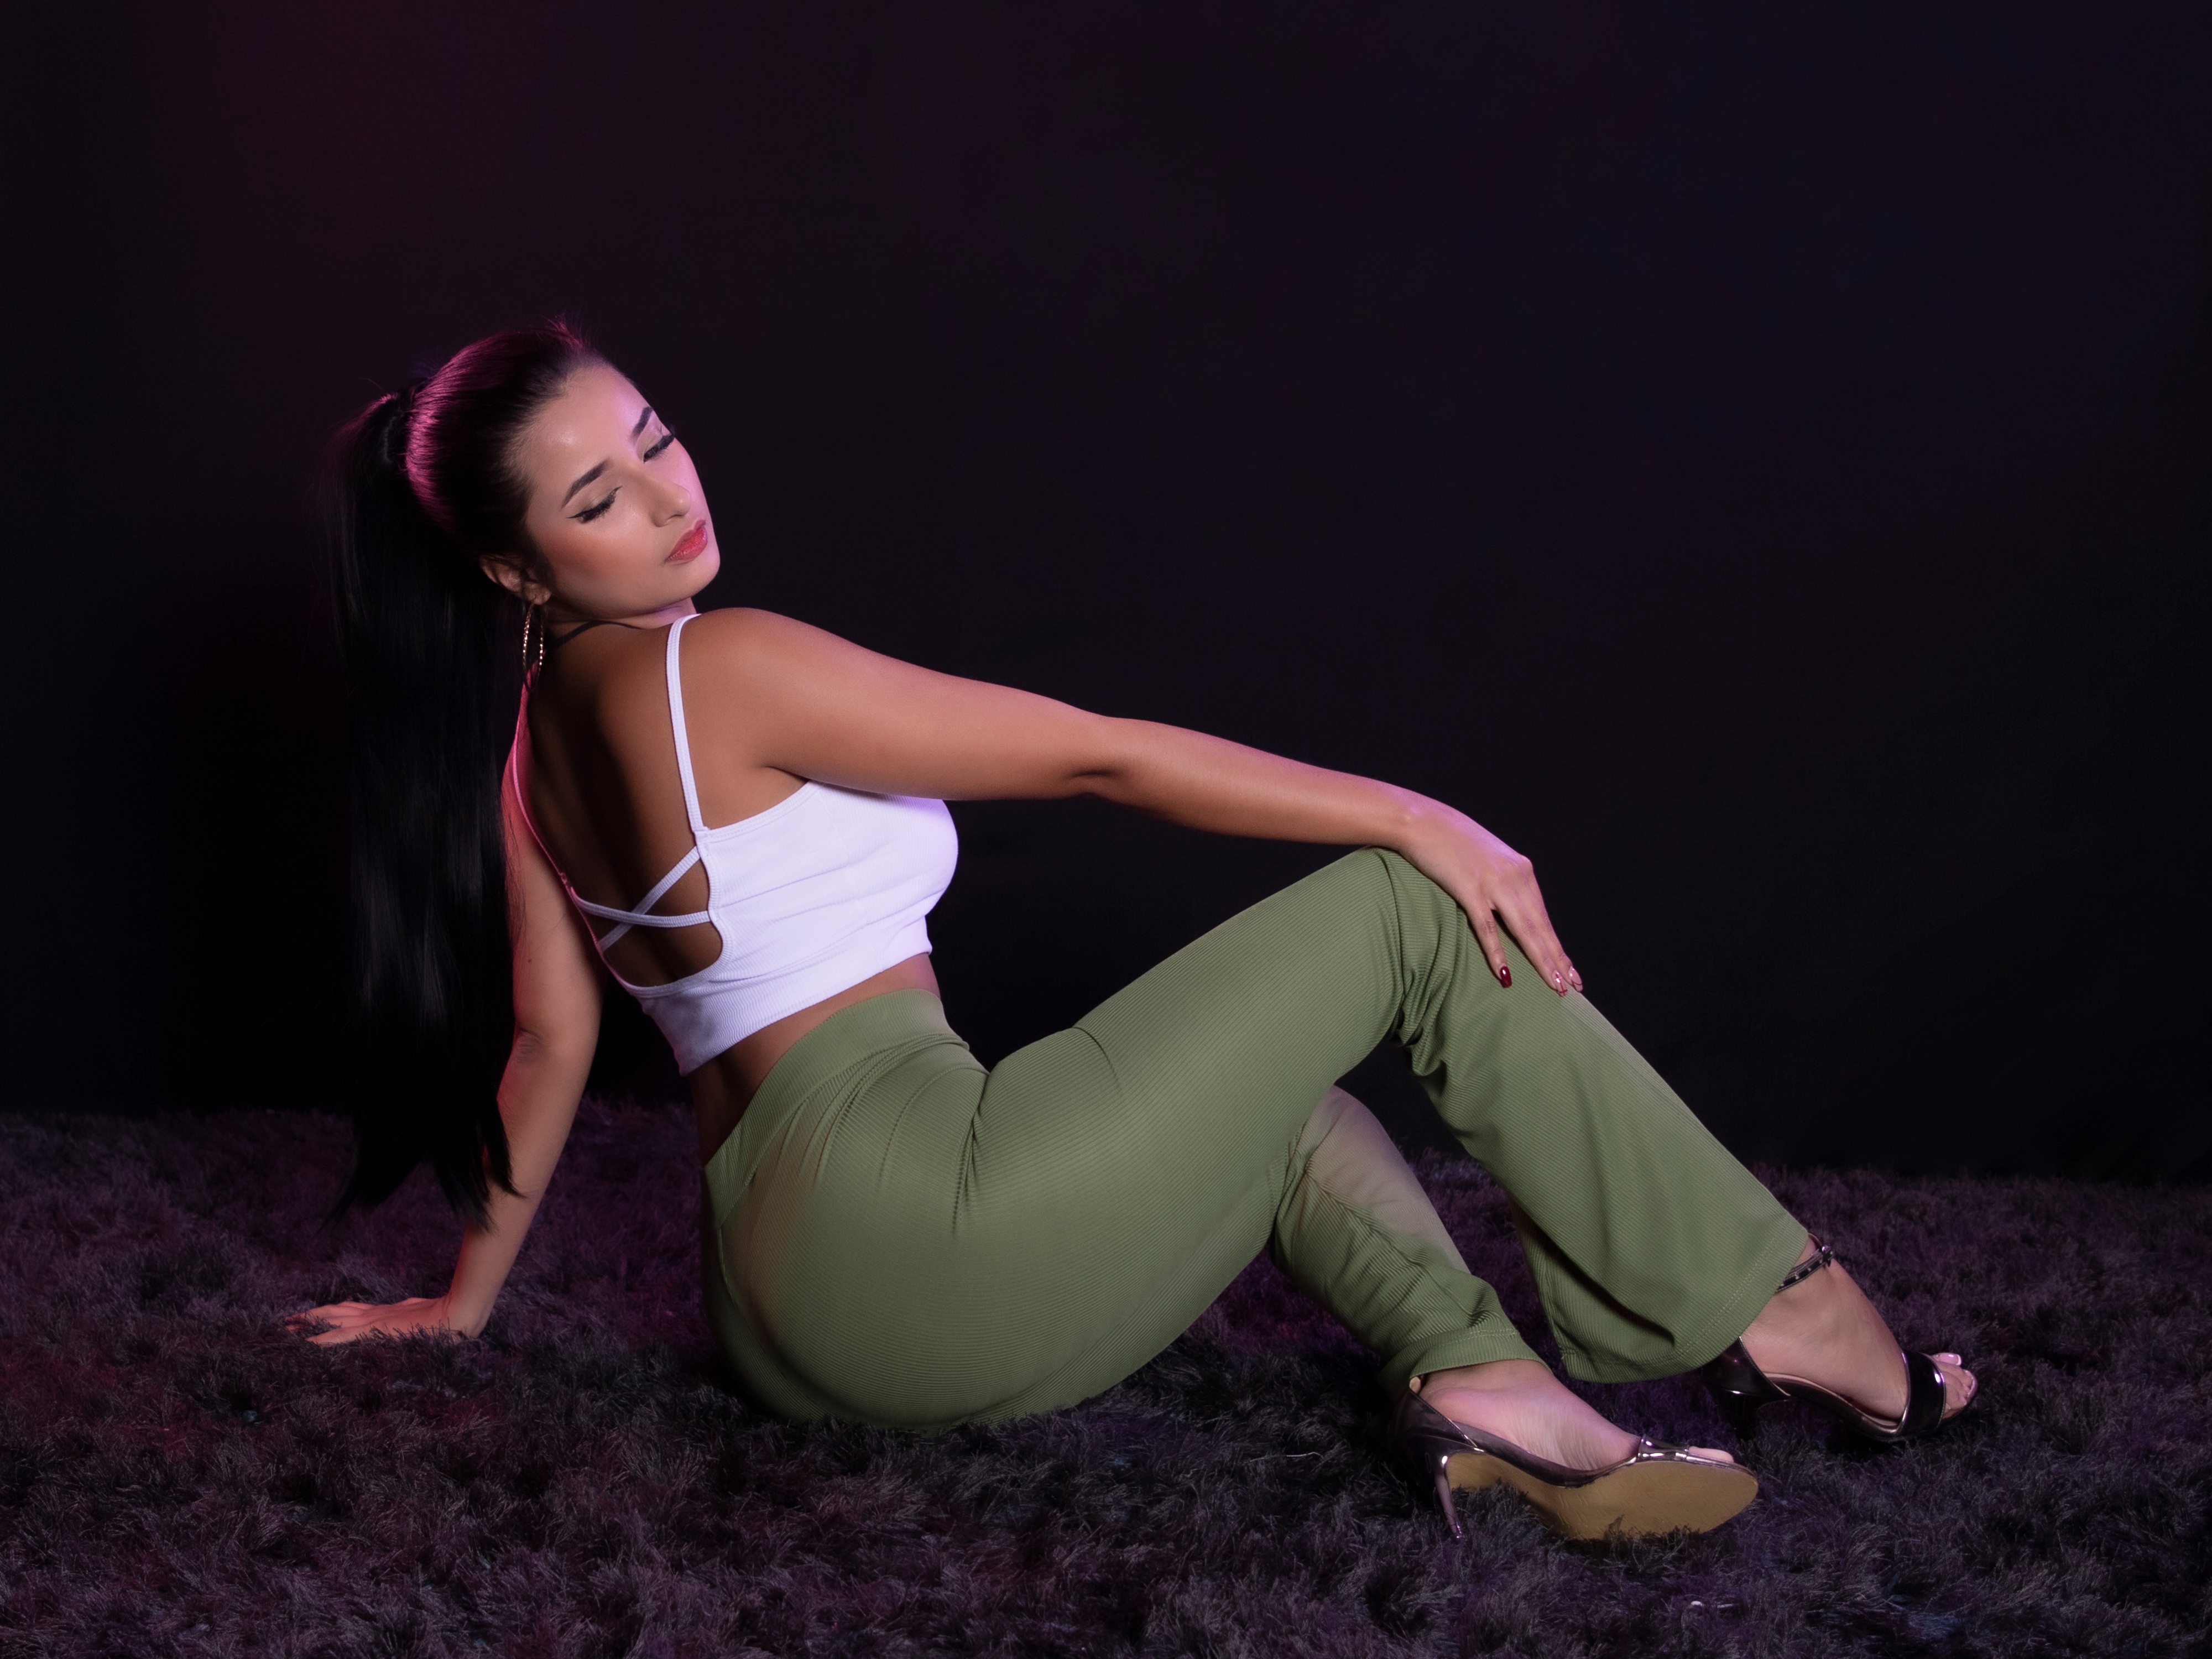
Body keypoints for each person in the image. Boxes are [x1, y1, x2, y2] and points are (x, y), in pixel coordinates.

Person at [295, 322, 1976, 1541]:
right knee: (1408, 906)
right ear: (518, 571)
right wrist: (1417, 813)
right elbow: (1097, 756)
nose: (670, 499)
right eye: (601, 496)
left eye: (657, 436)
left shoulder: (527, 769)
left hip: (782, 1311)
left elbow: (553, 1045)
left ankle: (1485, 1386)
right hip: (923, 1233)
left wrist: (462, 1306)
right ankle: (1788, 1308)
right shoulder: (717, 664)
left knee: (1285, 1113)